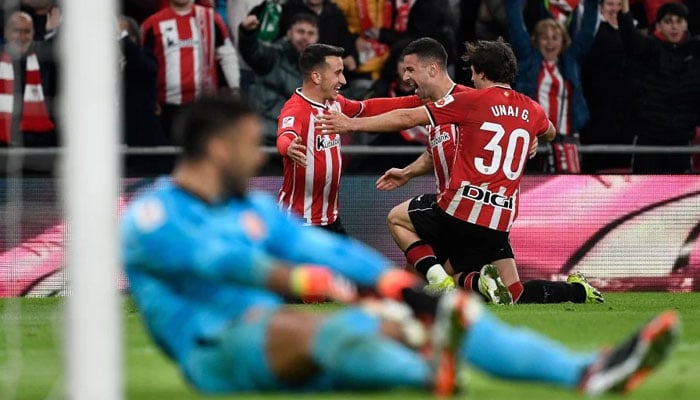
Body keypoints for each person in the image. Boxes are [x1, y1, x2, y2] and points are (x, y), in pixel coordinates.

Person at [121, 94, 679, 396]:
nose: (258, 157)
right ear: (217, 148)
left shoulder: (251, 208)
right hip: (213, 354)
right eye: (248, 146)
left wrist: (399, 287)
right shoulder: (152, 214)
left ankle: (587, 372)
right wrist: (320, 285)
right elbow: (227, 263)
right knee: (339, 329)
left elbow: (331, 252)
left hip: (276, 345)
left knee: (450, 312)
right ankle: (426, 367)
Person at [365, 38, 603, 304]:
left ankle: (473, 281)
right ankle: (578, 291)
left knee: (399, 222)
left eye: (473, 73)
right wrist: (531, 136)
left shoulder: (473, 101)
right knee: (515, 292)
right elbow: (550, 131)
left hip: (461, 212)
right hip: (499, 221)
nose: (472, 80)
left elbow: (408, 117)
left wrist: (350, 125)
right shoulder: (532, 108)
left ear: (481, 72)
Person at [503, 0, 599, 173]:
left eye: (555, 38)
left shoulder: (570, 61)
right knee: (533, 188)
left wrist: (592, 4)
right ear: (536, 40)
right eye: (544, 37)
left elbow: (587, 32)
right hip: (533, 138)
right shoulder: (528, 59)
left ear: (563, 41)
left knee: (566, 192)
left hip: (566, 137)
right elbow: (516, 24)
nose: (550, 43)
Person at [619, 0, 700, 173]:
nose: (674, 27)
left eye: (679, 21)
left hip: (681, 140)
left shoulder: (695, 51)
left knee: (679, 197)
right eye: (668, 21)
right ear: (659, 26)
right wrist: (624, 8)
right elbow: (629, 37)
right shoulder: (650, 47)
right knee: (643, 192)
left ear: (686, 24)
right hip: (650, 137)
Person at [142, 0, 241, 142]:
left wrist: (235, 89)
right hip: (166, 108)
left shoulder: (210, 18)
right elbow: (144, 66)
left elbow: (227, 55)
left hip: (203, 105)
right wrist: (149, 99)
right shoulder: (152, 24)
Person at [238, 12, 319, 144]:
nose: (305, 37)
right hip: (266, 138)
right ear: (289, 34)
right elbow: (253, 51)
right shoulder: (273, 55)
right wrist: (247, 33)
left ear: (317, 38)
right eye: (300, 31)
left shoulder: (319, 68)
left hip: (299, 142)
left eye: (310, 34)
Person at [0, 11, 57, 147]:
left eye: (27, 31)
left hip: (38, 142)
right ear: (7, 33)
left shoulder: (45, 61)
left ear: (33, 33)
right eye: (17, 31)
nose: (22, 36)